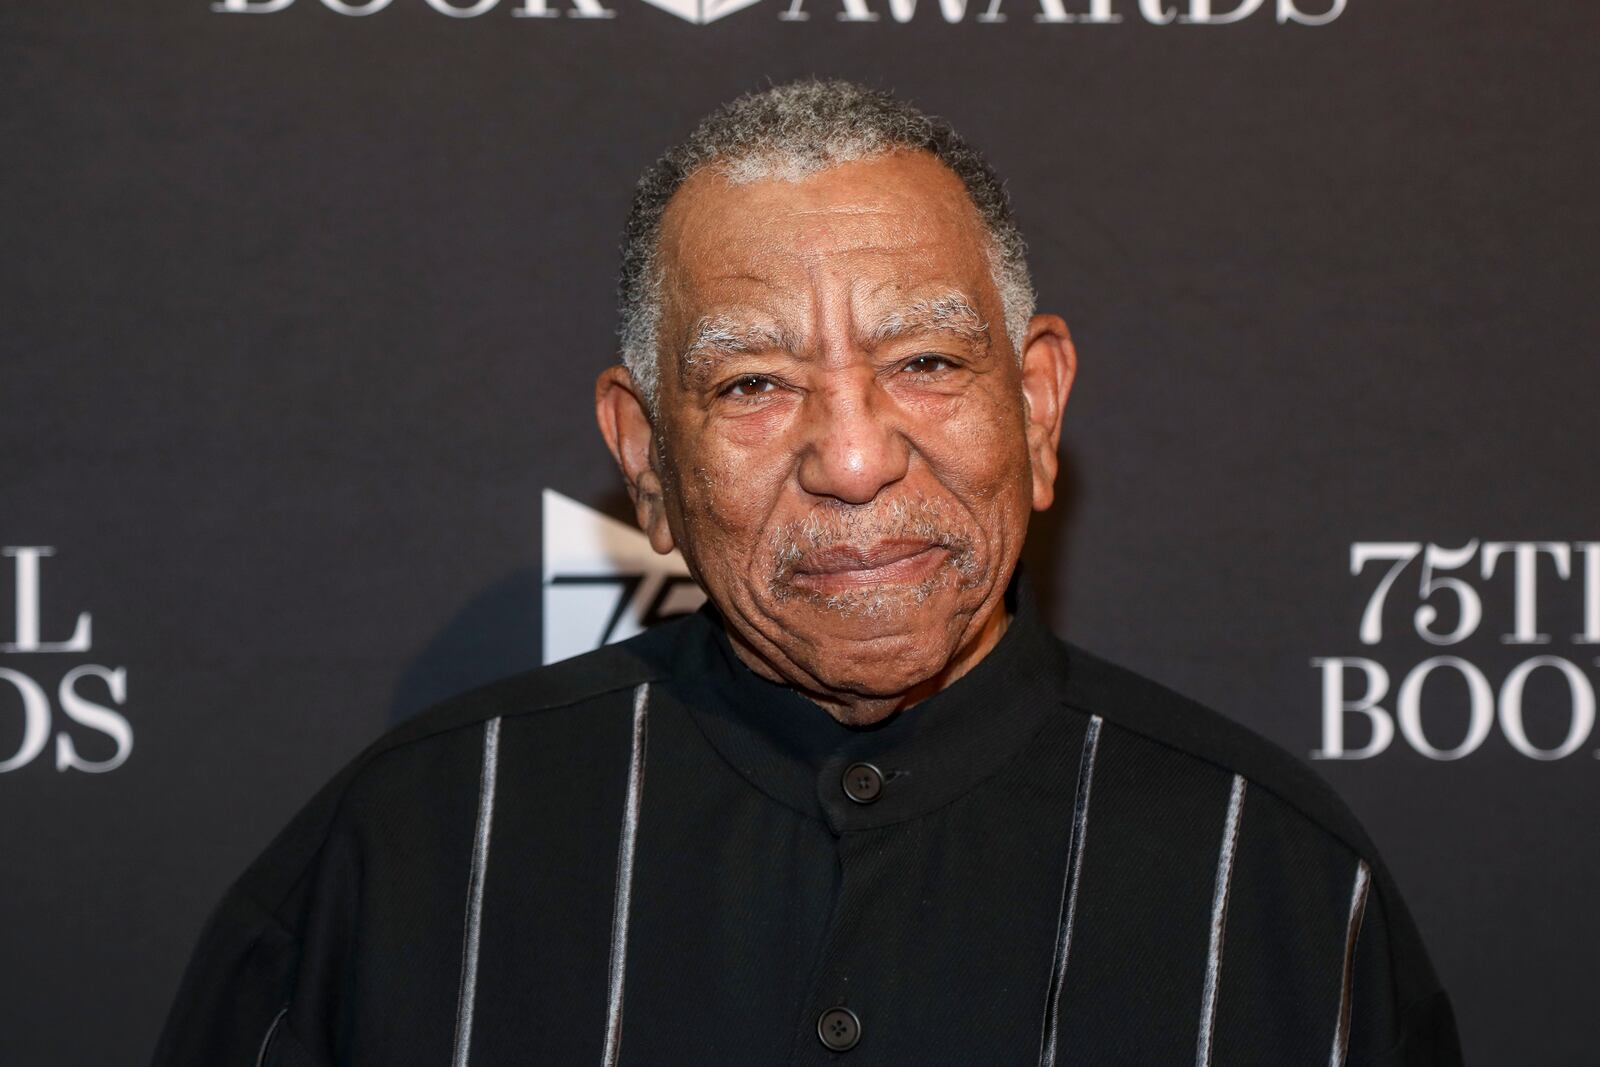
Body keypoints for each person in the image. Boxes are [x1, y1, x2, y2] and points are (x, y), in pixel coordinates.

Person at [153, 80, 1462, 1066]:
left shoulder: (1281, 881)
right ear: (646, 459)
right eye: (756, 383)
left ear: (1040, 406)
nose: (850, 457)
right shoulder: (410, 851)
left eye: (927, 364)